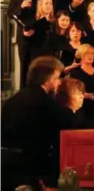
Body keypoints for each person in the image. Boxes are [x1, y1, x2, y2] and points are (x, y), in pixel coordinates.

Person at [1, 56, 76, 191]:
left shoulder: (13, 100)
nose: (59, 83)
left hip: (7, 165)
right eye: (58, 78)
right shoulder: (45, 102)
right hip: (31, 169)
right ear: (48, 79)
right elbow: (70, 123)